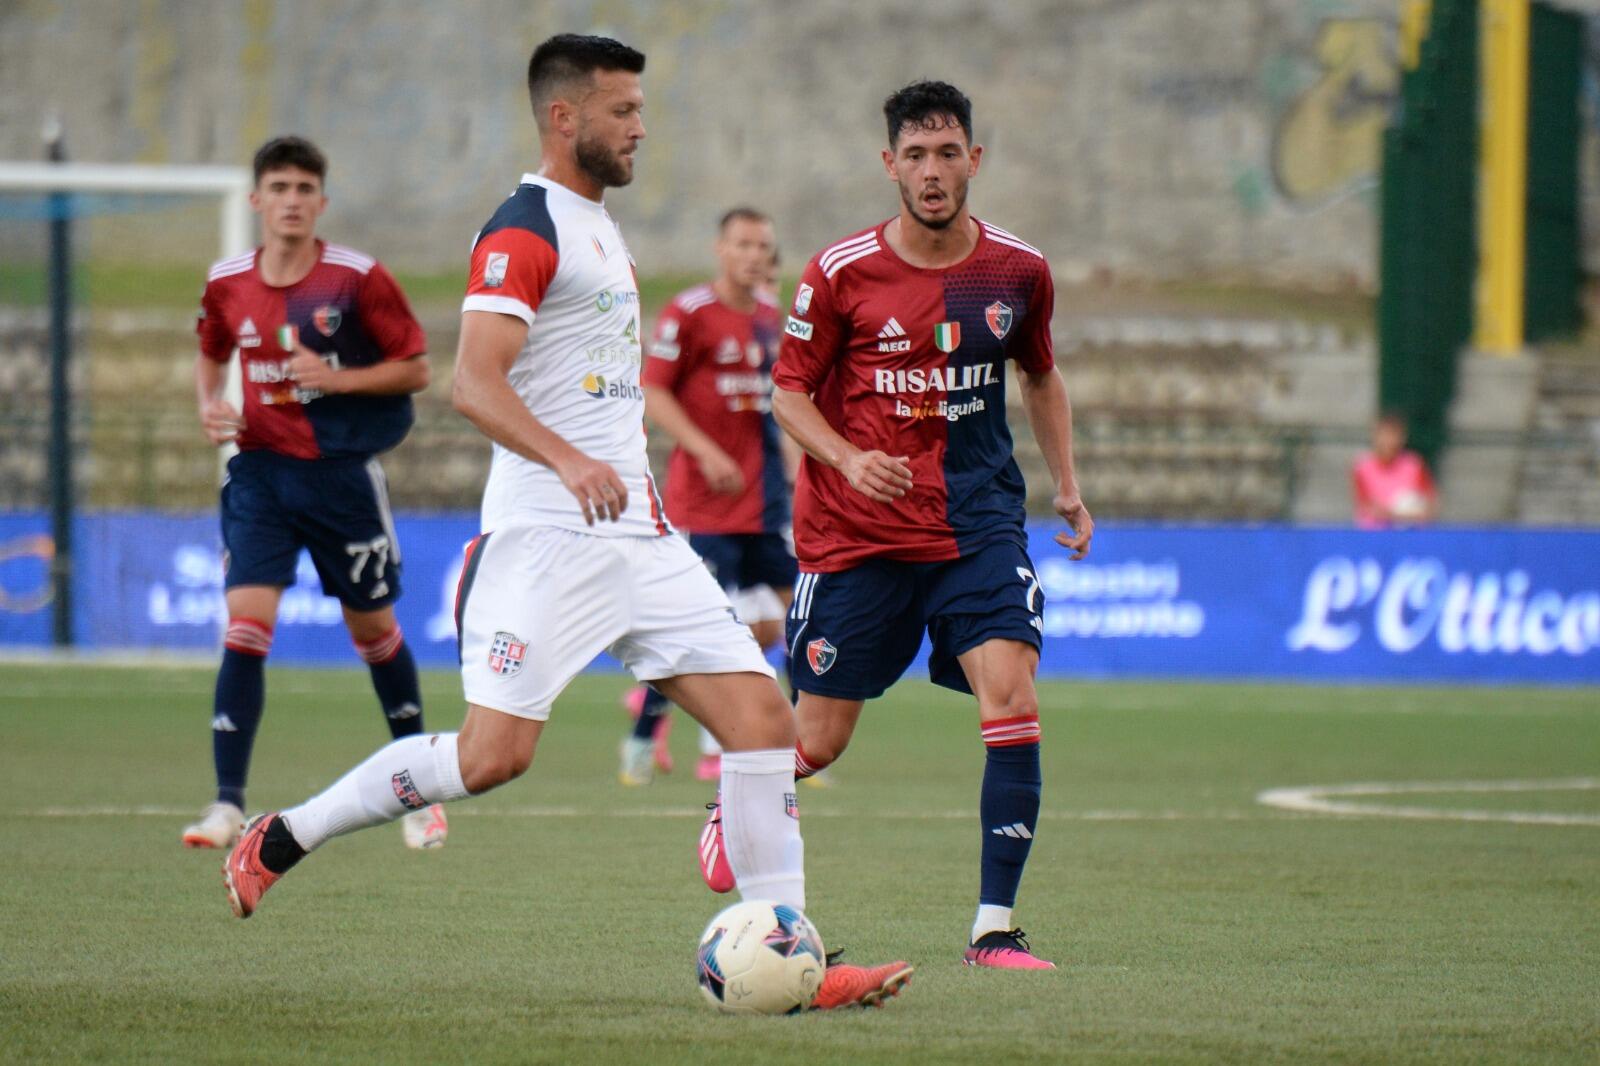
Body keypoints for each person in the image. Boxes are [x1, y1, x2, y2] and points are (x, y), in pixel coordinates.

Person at [221, 34, 911, 1011]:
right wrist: (570, 459)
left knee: (763, 721)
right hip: (546, 537)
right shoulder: (524, 227)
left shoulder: (596, 224)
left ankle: (797, 955)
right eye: (622, 110)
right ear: (564, 116)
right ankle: (287, 831)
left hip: (639, 534)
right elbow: (473, 382)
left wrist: (610, 469)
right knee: (491, 758)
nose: (639, 127)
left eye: (639, 110)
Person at [697, 80, 1093, 970]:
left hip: (977, 525)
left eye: (948, 152)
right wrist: (846, 459)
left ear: (973, 159)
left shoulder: (1018, 271)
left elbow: (1040, 375)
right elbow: (788, 392)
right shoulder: (840, 273)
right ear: (890, 165)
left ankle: (994, 929)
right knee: (819, 741)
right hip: (857, 534)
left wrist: (1067, 486)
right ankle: (736, 795)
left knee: (1012, 696)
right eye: (915, 155)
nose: (932, 171)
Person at [185, 136, 445, 852]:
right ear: (256, 200)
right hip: (260, 475)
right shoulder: (227, 281)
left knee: (374, 634)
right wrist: (209, 404)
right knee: (245, 625)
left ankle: (420, 796)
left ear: (321, 202)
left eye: (304, 189)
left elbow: (416, 369)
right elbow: (210, 349)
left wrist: (337, 380)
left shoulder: (356, 279)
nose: (291, 201)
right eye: (279, 187)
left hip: (340, 478)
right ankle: (226, 804)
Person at [619, 208, 800, 786]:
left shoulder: (772, 318)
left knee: (797, 618)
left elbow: (782, 405)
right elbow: (652, 391)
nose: (754, 255)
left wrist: (797, 472)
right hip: (706, 506)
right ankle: (644, 737)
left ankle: (799, 744)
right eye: (743, 244)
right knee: (698, 632)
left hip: (764, 504)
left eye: (763, 246)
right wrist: (705, 451)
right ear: (721, 249)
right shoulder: (690, 312)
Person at [1352, 412, 1438, 528]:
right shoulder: (1362, 466)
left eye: (1393, 435)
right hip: (1374, 532)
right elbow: (1367, 506)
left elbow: (1429, 505)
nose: (1389, 441)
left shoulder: (1414, 464)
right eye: (1384, 435)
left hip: (1408, 532)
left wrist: (1399, 515)